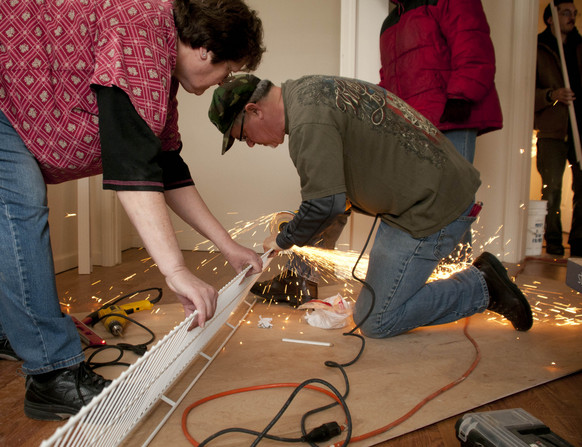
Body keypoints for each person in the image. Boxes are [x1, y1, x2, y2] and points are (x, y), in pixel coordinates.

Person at [0, 0, 264, 421]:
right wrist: (176, 270)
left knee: (1, 202)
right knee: (14, 201)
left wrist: (227, 246)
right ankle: (53, 375)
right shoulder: (141, 33)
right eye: (229, 70)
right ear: (205, 49)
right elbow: (132, 168)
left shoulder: (158, 68)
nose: (224, 81)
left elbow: (164, 167)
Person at [209, 74, 533, 338]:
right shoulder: (310, 90)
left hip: (431, 208)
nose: (251, 143)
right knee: (374, 309)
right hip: (420, 199)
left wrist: (282, 240)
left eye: (242, 136)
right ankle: (478, 283)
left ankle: (481, 287)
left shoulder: (308, 124)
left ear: (254, 110)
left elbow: (325, 203)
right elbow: (334, 194)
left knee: (376, 320)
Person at [379, 0, 502, 164]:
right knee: (415, 189)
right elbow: (389, 76)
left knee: (451, 188)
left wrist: (461, 97)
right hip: (408, 127)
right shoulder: (390, 22)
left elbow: (472, 44)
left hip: (449, 118)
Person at [535, 0, 582, 257]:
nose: (571, 18)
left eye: (574, 14)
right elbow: (527, 93)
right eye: (566, 13)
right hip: (553, 129)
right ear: (551, 18)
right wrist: (552, 94)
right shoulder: (539, 49)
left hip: (579, 130)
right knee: (551, 187)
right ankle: (553, 242)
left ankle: (579, 244)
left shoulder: (579, 47)